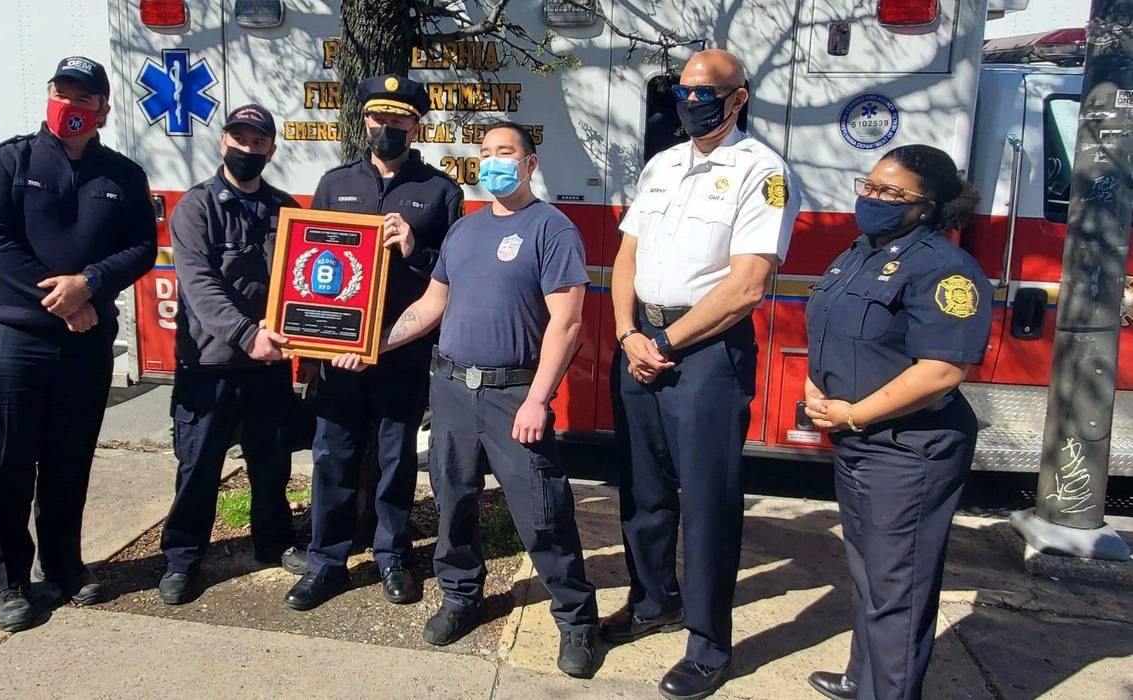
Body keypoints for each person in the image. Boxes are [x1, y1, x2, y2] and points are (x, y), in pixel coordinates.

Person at [329, 121, 600, 678]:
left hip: (512, 396)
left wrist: (539, 400)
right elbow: (431, 307)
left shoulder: (552, 229)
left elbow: (567, 324)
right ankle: (460, 597)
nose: (493, 161)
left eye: (506, 152)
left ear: (529, 164)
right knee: (454, 506)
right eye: (485, 153)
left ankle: (576, 620)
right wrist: (374, 343)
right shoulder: (465, 232)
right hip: (451, 390)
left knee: (542, 514)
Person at [604, 48, 800, 699]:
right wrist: (628, 332)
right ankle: (650, 600)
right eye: (683, 90)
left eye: (706, 91)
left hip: (707, 353)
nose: (692, 101)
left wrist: (663, 341)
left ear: (737, 96)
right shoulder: (661, 165)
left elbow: (746, 286)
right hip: (642, 343)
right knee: (642, 490)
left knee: (707, 503)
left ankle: (708, 644)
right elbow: (625, 256)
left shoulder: (762, 172)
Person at [0, 56, 156, 631]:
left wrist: (89, 285)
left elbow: (141, 248)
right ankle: (11, 582)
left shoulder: (122, 175)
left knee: (69, 463)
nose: (71, 104)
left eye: (83, 97)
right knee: (8, 464)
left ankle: (65, 568)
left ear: (103, 108)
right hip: (14, 340)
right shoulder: (7, 161)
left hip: (85, 342)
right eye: (61, 92)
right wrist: (59, 298)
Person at [803, 145, 990, 700]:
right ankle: (865, 679)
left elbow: (941, 370)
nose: (872, 199)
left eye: (891, 193)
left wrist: (853, 412)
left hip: (910, 449)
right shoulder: (859, 251)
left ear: (928, 206)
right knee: (869, 576)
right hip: (860, 442)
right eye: (869, 185)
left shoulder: (945, 268)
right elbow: (836, 331)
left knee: (898, 591)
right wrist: (822, 386)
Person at [284, 74, 462, 611]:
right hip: (339, 355)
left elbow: (453, 275)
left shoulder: (439, 191)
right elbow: (306, 271)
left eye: (399, 119)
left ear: (416, 125)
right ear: (365, 121)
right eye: (378, 118)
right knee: (333, 456)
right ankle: (326, 561)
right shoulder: (334, 184)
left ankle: (392, 556)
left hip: (402, 354)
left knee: (395, 459)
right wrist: (313, 354)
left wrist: (414, 249)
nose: (388, 127)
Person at [155, 104, 304, 605]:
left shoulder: (286, 209)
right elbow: (199, 286)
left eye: (258, 142)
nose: (247, 149)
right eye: (239, 139)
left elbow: (305, 281)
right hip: (210, 365)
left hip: (268, 366)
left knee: (272, 463)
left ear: (271, 149)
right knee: (198, 467)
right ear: (223, 142)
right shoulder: (196, 208)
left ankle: (274, 542)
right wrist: (247, 333)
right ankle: (181, 558)